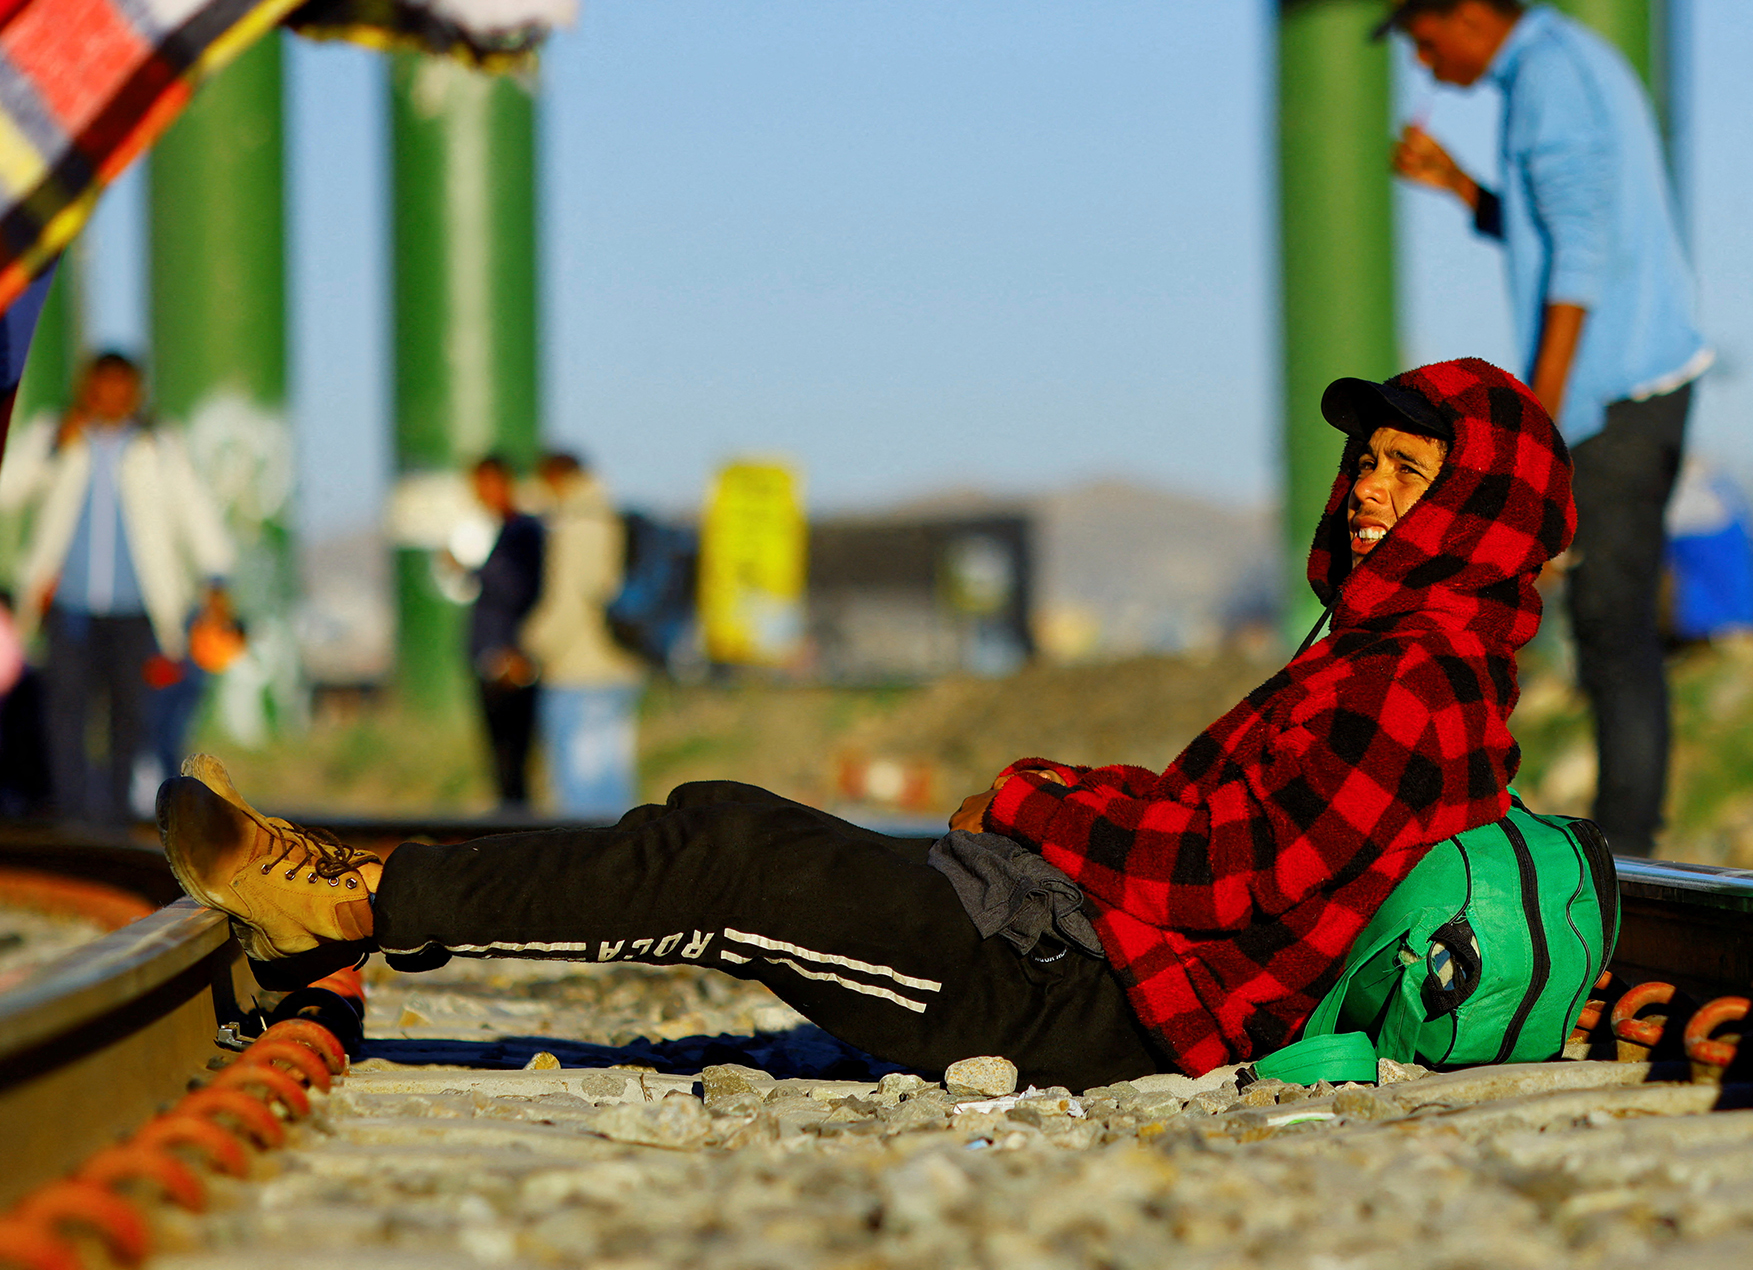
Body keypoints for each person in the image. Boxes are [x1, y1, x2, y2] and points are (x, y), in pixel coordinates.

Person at [158, 358, 1573, 1088]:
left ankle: (351, 899)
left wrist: (1027, 803)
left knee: (731, 872)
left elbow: (1229, 873)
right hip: (1073, 945)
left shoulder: (1416, 679)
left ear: (1479, 516)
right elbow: (1219, 838)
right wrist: (1044, 803)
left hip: (1096, 1008)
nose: (1368, 494)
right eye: (1366, 464)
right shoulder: (1387, 654)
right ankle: (367, 885)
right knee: (724, 823)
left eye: (1404, 472)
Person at [1384, 0, 1710, 856]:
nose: (1421, 57)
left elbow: (1579, 255)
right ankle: (1625, 854)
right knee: (1607, 630)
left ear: (1471, 18)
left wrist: (1540, 420)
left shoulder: (1549, 83)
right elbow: (1549, 226)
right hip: (1630, 392)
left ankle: (1631, 863)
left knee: (1612, 630)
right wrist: (1459, 187)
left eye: (1422, 36)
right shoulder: (1562, 64)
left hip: (1617, 401)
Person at [0, 352, 234, 832]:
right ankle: (70, 814)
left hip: (137, 609)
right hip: (68, 605)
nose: (109, 396)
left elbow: (195, 513)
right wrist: (47, 450)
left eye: (119, 386)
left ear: (135, 392)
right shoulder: (56, 436)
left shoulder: (159, 447)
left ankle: (112, 819)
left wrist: (216, 577)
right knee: (65, 712)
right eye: (100, 386)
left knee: (129, 712)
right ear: (87, 389)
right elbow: (8, 490)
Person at [524, 451, 645, 815]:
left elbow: (567, 609)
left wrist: (531, 644)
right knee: (613, 785)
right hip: (622, 664)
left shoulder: (576, 527)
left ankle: (591, 871)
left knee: (580, 796)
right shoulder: (614, 520)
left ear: (557, 479)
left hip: (580, 671)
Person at [467, 454, 546, 809]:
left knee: (514, 756)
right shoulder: (498, 530)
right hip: (490, 656)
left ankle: (517, 833)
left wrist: (475, 572)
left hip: (509, 658)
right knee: (500, 758)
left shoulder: (523, 532)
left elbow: (520, 591)